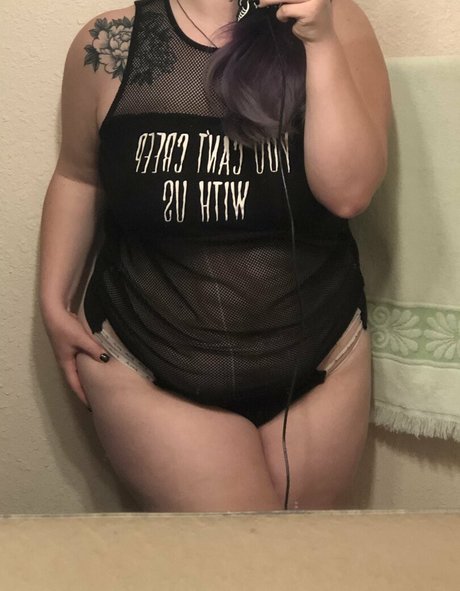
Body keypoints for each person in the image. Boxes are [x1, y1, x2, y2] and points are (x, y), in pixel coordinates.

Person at [39, 0, 391, 512]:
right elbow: (78, 175)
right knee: (246, 554)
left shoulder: (338, 23)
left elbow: (350, 194)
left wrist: (320, 42)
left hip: (322, 352)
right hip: (149, 356)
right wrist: (53, 301)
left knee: (308, 554)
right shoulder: (110, 40)